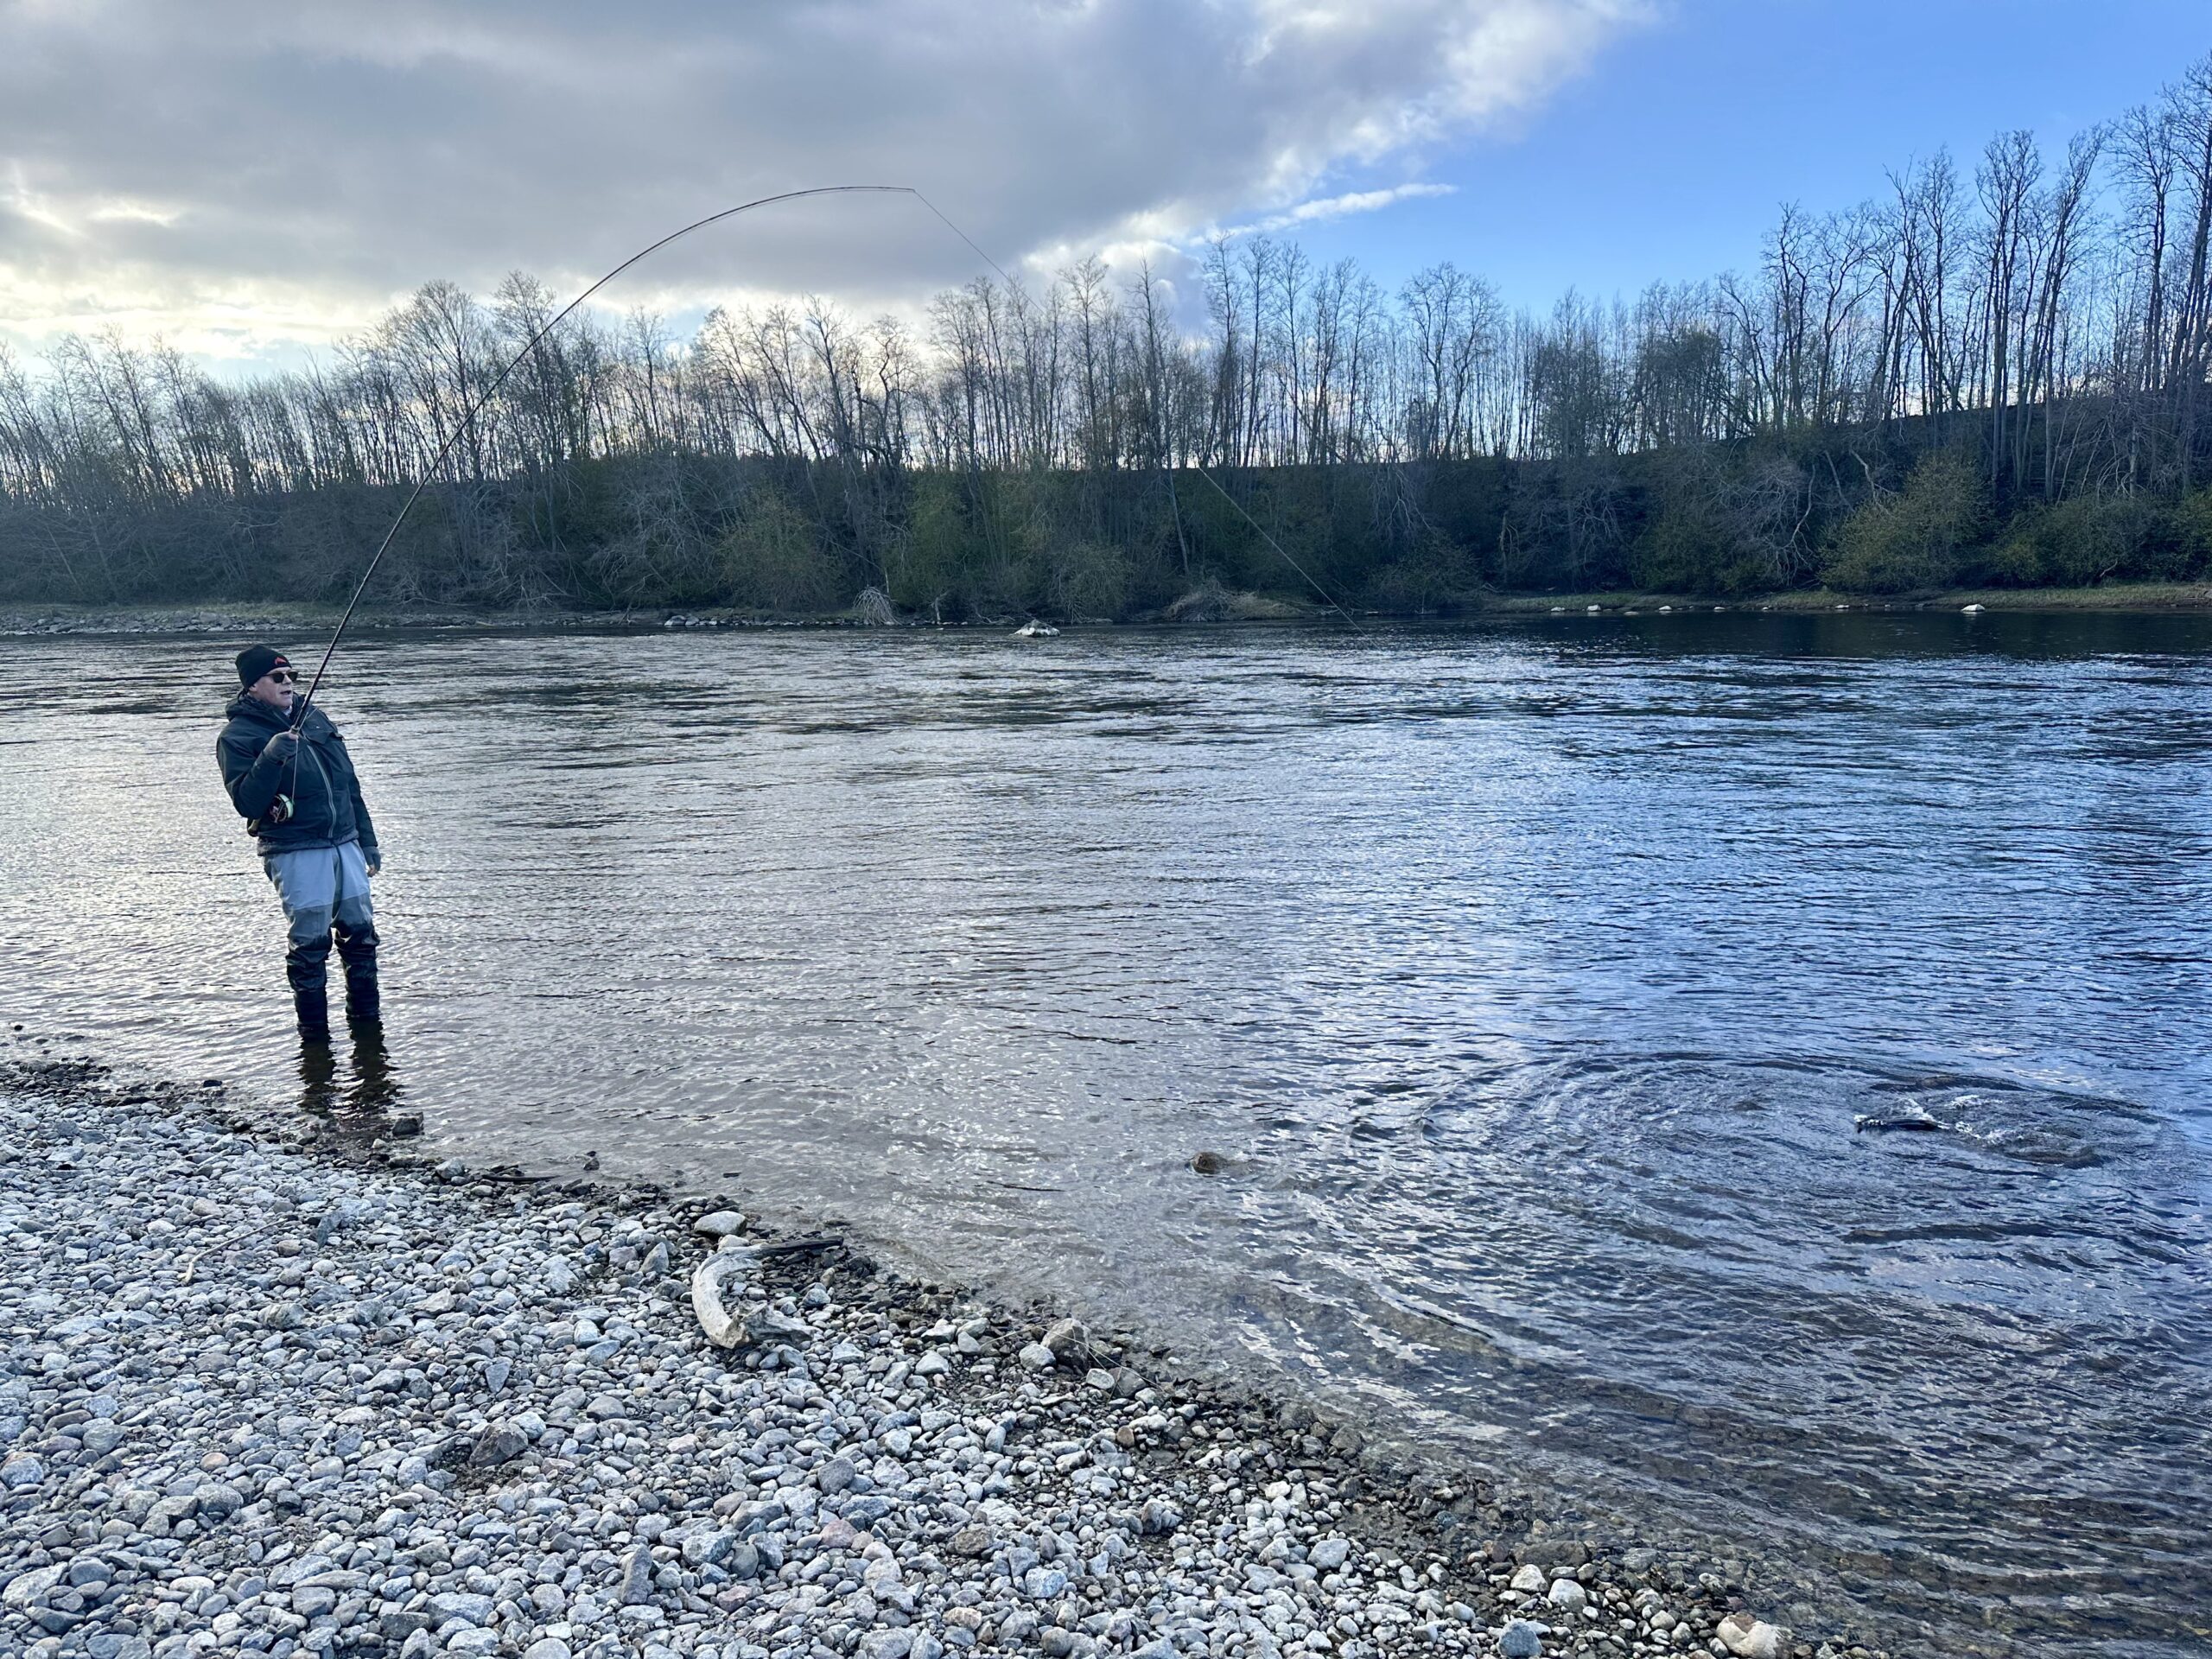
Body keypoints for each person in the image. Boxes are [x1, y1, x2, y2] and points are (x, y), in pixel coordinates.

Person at [216, 645, 383, 1043]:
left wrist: (368, 841)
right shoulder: (236, 737)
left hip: (346, 843)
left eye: (291, 675)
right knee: (310, 945)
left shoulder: (316, 718)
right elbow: (247, 804)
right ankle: (314, 1039)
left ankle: (368, 1031)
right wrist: (271, 756)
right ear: (252, 686)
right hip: (295, 850)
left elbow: (349, 784)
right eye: (277, 677)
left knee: (361, 937)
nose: (288, 682)